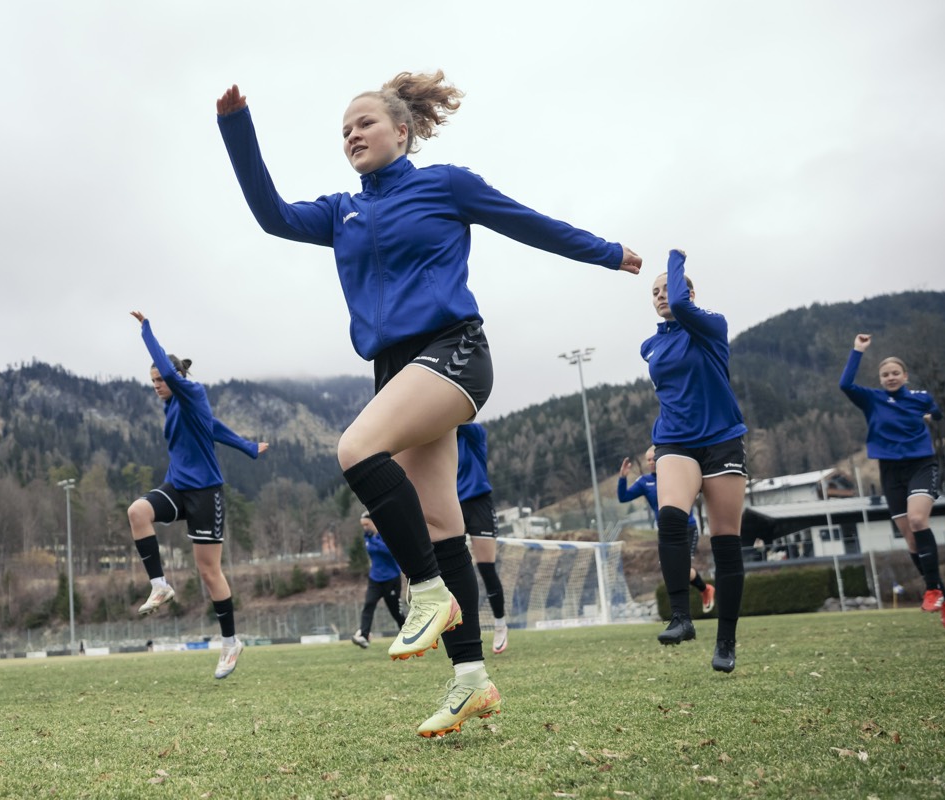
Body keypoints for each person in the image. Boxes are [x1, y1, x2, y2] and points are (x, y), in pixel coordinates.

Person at [217, 72, 641, 736]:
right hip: (395, 371)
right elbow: (271, 214)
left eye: (365, 123)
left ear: (403, 131)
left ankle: (430, 593)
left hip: (453, 350)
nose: (352, 134)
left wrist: (607, 253)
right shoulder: (340, 212)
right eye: (344, 130)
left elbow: (528, 223)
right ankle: (471, 680)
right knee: (444, 525)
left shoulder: (445, 184)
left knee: (356, 449)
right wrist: (237, 131)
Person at [126, 310, 265, 679]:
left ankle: (230, 641)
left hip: (206, 492)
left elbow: (177, 380)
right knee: (137, 512)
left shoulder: (191, 391)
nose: (156, 385)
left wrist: (146, 331)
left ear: (176, 378)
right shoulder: (173, 405)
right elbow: (214, 428)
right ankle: (159, 586)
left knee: (208, 571)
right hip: (177, 486)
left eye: (160, 379)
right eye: (152, 380)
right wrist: (248, 446)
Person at [642, 250, 746, 673]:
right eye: (655, 291)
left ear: (688, 290)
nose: (663, 295)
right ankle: (681, 618)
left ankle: (726, 641)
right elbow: (673, 394)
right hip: (675, 441)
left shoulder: (711, 326)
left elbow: (683, 307)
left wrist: (675, 257)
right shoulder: (651, 345)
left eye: (669, 286)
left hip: (721, 440)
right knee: (669, 520)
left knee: (725, 542)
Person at [839, 333, 945, 629]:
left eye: (895, 373)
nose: (890, 377)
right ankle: (943, 595)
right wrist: (857, 351)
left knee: (918, 520)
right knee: (910, 538)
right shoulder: (873, 400)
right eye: (885, 374)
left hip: (921, 465)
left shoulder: (920, 398)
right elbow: (845, 385)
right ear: (880, 379)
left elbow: (938, 413)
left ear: (904, 376)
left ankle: (932, 590)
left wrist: (930, 415)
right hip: (890, 472)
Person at [618, 446, 715, 613]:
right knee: (670, 569)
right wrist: (622, 478)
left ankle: (701, 593)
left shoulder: (676, 476)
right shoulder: (644, 482)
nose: (651, 462)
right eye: (648, 460)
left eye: (653, 458)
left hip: (687, 527)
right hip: (666, 531)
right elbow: (623, 497)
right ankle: (703, 590)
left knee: (681, 568)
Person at [456, 422, 509, 654]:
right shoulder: (439, 440)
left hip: (479, 504)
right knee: (452, 567)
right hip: (452, 505)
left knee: (486, 568)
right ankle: (461, 628)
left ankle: (500, 624)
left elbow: (458, 415)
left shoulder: (474, 433)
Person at [352, 511, 407, 649]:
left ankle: (408, 635)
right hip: (375, 579)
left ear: (374, 522)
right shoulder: (367, 537)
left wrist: (375, 540)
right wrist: (371, 539)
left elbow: (389, 552)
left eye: (366, 524)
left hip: (391, 579)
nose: (364, 528)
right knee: (368, 605)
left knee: (396, 613)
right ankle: (364, 635)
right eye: (362, 525)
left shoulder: (386, 535)